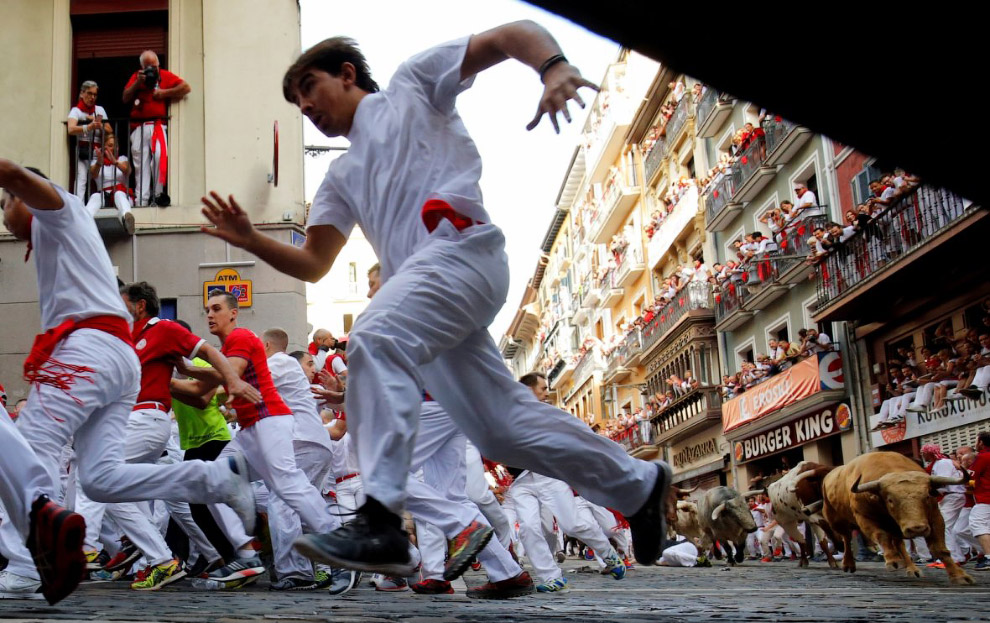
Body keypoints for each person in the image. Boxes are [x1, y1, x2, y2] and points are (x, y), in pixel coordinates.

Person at [199, 22, 672, 575]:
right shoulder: (342, 175)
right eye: (296, 100)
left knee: (373, 334)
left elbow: (509, 34)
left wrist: (552, 66)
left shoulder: (411, 87)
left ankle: (381, 521)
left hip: (462, 253)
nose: (305, 105)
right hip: (428, 297)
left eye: (309, 87)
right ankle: (638, 484)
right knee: (500, 428)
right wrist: (252, 239)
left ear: (347, 74)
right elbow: (315, 264)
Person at [0, 161, 256, 598]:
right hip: (116, 358)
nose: (4, 213)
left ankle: (25, 565)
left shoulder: (60, 209)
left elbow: (18, 176)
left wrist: (12, 179)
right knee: (100, 479)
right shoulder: (56, 229)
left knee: (31, 444)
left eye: (5, 201)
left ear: (24, 193)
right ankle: (216, 480)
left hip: (88, 348)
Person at [173, 291, 339, 584]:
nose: (209, 315)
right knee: (219, 480)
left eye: (215, 309)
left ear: (263, 345)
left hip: (299, 439)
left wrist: (187, 372)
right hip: (268, 436)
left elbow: (227, 381)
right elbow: (210, 391)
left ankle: (308, 566)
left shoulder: (277, 360)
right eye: (207, 310)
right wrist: (173, 376)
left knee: (284, 499)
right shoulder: (235, 351)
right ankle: (250, 553)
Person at [123, 50, 190, 206]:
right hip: (139, 127)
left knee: (160, 157)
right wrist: (138, 83)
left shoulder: (165, 75)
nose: (152, 70)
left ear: (159, 65)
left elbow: (186, 88)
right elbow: (125, 97)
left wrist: (164, 93)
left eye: (154, 66)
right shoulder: (136, 77)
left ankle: (158, 194)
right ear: (142, 67)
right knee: (141, 164)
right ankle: (142, 200)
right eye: (148, 67)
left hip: (157, 126)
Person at [67, 80, 112, 199]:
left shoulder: (99, 110)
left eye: (95, 94)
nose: (92, 97)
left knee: (98, 176)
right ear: (82, 93)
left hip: (97, 149)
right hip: (83, 149)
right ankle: (79, 205)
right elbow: (71, 129)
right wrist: (88, 127)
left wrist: (97, 122)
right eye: (89, 93)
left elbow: (109, 129)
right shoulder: (76, 111)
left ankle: (102, 202)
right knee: (81, 177)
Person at [84, 133, 135, 232]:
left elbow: (127, 170)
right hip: (104, 196)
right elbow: (93, 174)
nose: (114, 148)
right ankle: (84, 223)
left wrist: (115, 162)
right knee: (95, 196)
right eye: (111, 146)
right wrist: (99, 162)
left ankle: (127, 218)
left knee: (118, 194)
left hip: (122, 197)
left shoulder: (122, 159)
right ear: (104, 148)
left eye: (116, 146)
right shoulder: (95, 163)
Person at [968, 431, 990, 571]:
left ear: (981, 442)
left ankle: (988, 557)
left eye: (976, 441)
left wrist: (969, 488)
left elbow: (972, 478)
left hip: (985, 498)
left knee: (977, 524)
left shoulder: (982, 457)